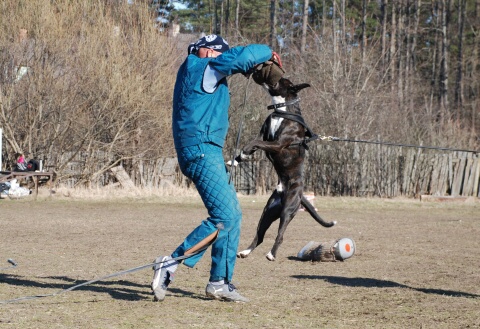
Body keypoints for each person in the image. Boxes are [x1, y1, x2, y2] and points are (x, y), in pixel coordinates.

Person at [152, 34, 280, 303]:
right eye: (214, 53)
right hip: (201, 151)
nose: (214, 57)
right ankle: (170, 264)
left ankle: (219, 282)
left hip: (200, 150)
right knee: (225, 217)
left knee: (232, 214)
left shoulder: (198, 72)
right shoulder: (204, 70)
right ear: (208, 53)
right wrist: (268, 52)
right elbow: (243, 57)